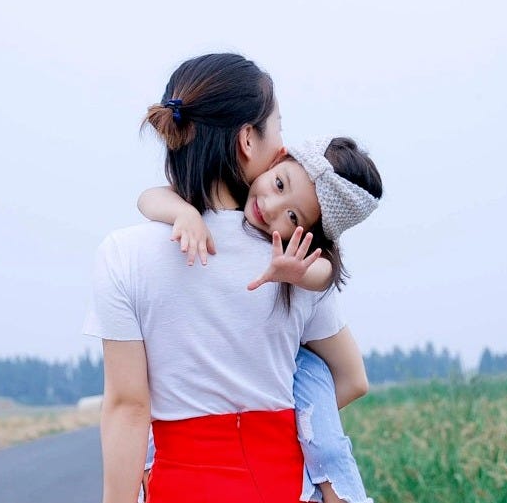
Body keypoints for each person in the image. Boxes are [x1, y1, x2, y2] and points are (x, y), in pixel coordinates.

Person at [84, 53, 370, 503]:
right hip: (275, 485)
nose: (283, 146)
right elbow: (352, 378)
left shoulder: (124, 255)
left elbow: (127, 407)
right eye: (277, 127)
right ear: (246, 141)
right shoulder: (295, 261)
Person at [138, 136, 382, 503]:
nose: (271, 207)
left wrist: (294, 273)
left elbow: (324, 273)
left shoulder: (295, 263)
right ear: (278, 158)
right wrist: (184, 214)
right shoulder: (216, 200)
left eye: (293, 217)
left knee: (311, 375)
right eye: (279, 184)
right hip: (211, 450)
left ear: (308, 235)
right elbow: (148, 198)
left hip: (287, 393)